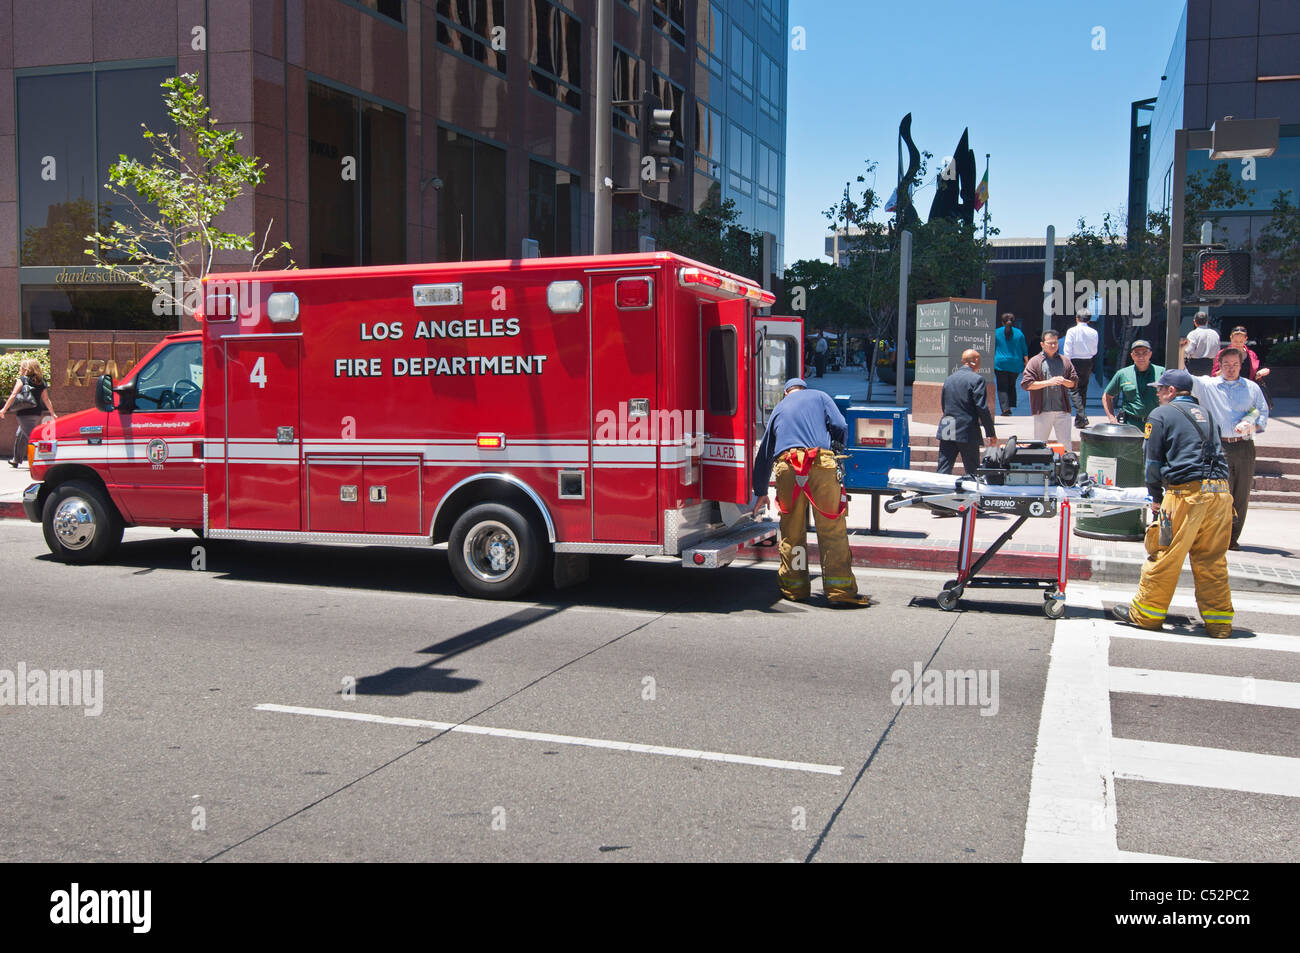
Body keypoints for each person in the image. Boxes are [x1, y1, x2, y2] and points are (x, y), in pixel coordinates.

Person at [1110, 369, 1234, 638]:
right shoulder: (1208, 415)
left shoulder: (1160, 415)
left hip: (1185, 495)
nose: (1157, 393)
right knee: (1212, 559)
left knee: (1165, 552)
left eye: (1160, 389)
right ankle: (1220, 623)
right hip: (1221, 494)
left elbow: (1152, 461)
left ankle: (1145, 615)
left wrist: (1155, 496)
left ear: (1172, 392)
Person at [752, 378, 870, 608]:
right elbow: (840, 425)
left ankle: (795, 589)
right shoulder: (820, 396)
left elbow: (765, 453)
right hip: (820, 462)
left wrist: (760, 490)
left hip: (787, 467)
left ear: (786, 393)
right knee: (832, 529)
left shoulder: (778, 408)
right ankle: (839, 591)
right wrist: (837, 447)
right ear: (803, 389)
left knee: (792, 530)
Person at [1191, 348, 1268, 551]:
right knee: (1218, 495)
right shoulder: (1209, 386)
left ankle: (1232, 539)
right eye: (1227, 365)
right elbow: (1185, 377)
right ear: (1220, 365)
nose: (1231, 369)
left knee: (1241, 495)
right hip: (1219, 446)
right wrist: (1181, 349)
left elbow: (1262, 415)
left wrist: (1253, 426)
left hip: (1244, 446)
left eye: (1235, 365)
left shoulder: (1251, 388)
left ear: (1241, 366)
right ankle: (1215, 538)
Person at [939, 349, 997, 476]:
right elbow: (982, 408)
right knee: (973, 471)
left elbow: (944, 404)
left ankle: (937, 493)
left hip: (947, 427)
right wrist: (991, 433)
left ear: (962, 361)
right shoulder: (977, 380)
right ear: (975, 361)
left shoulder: (949, 379)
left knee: (943, 469)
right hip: (967, 430)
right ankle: (972, 495)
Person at [1020, 330, 1078, 445]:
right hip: (1042, 411)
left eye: (1055, 343)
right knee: (1039, 445)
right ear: (1042, 344)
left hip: (1063, 411)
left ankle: (1066, 463)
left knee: (1066, 445)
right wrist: (1048, 382)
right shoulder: (1035, 361)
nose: (1053, 346)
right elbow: (1026, 384)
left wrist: (1064, 381)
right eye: (1050, 343)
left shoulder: (1065, 361)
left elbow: (1074, 383)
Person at [2, 358, 57, 468]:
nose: (20, 369)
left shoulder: (22, 380)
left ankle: (45, 461)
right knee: (20, 434)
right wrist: (52, 413)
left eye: (22, 367)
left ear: (26, 368)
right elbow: (46, 399)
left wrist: (4, 409)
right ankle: (16, 459)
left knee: (32, 438)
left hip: (24, 414)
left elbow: (13, 395)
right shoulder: (42, 382)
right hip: (36, 413)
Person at [1102, 339, 1164, 427]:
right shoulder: (1123, 374)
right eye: (1137, 353)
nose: (1141, 357)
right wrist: (1112, 418)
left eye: (1144, 353)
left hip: (1155, 423)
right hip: (1130, 425)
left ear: (1150, 354)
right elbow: (1107, 396)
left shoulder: (1161, 372)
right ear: (1132, 355)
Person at [1212, 326, 1273, 410]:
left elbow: (1252, 375)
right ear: (1231, 338)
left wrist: (1259, 373)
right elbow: (1214, 375)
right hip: (1228, 393)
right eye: (1235, 341)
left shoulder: (1251, 354)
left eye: (1241, 341)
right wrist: (1225, 368)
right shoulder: (1222, 354)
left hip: (1247, 393)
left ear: (1245, 339)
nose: (1238, 343)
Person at [1061, 307, 1099, 428]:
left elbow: (1067, 349)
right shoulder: (1094, 332)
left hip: (1074, 361)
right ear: (1089, 320)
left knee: (1073, 389)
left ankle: (1082, 415)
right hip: (1088, 361)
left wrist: (1066, 363)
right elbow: (1094, 351)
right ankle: (1079, 419)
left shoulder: (1072, 331)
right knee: (1083, 390)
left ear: (1077, 318)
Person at [993, 312, 1028, 416]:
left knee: (1002, 386)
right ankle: (1011, 404)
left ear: (1002, 322)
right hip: (1016, 363)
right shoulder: (1019, 333)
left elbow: (992, 348)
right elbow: (1024, 349)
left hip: (1000, 363)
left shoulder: (996, 332)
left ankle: (1005, 409)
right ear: (1013, 322)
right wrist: (1026, 362)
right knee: (1011, 384)